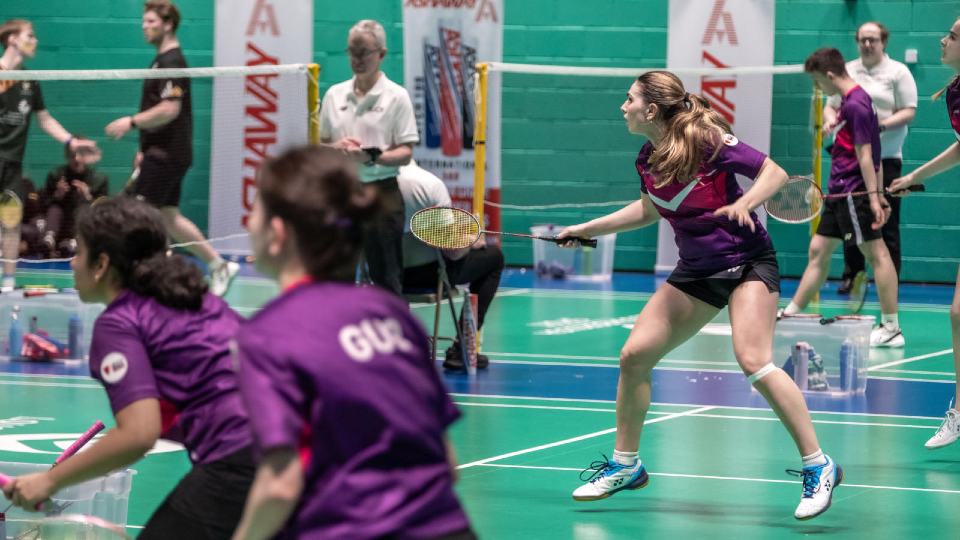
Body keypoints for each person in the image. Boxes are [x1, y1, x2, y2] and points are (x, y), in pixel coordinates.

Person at [559, 71, 840, 520]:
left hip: (746, 263)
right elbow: (650, 209)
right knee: (634, 356)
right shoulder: (647, 158)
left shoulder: (705, 139)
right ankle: (626, 466)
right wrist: (586, 228)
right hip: (697, 271)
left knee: (754, 360)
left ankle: (818, 464)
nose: (623, 107)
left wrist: (745, 204)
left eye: (629, 99)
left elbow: (774, 172)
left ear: (651, 109)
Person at [231, 147, 473, 540]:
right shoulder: (391, 314)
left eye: (254, 211)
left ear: (277, 233)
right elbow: (447, 460)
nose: (248, 222)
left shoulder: (268, 335)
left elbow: (279, 487)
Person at [1, 197, 255, 539]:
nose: (72, 262)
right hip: (301, 446)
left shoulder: (120, 323)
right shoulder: (200, 301)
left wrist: (49, 481)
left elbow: (138, 433)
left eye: (79, 252)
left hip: (242, 456)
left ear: (102, 263)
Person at [104, 1, 238, 297]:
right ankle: (219, 266)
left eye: (151, 21)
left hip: (167, 154)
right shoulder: (161, 61)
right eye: (144, 21)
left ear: (168, 25)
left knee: (139, 217)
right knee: (168, 217)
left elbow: (170, 109)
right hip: (161, 151)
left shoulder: (172, 62)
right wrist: (144, 147)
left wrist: (131, 122)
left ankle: (150, 278)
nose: (144, 26)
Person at [781, 48, 904, 348]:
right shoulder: (850, 102)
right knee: (818, 250)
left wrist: (874, 197)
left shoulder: (857, 104)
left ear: (829, 75)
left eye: (817, 81)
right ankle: (791, 313)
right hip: (839, 190)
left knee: (877, 254)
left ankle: (891, 327)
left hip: (853, 191)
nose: (818, 87)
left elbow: (867, 155)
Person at [889, 17, 960, 449]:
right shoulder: (955, 92)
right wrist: (914, 176)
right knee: (958, 314)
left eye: (952, 35)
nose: (942, 39)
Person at [319, 19, 419, 296]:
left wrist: (372, 156)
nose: (357, 59)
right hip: (342, 193)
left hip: (381, 194)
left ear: (381, 54)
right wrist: (337, 147)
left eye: (364, 52)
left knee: (386, 279)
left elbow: (405, 153)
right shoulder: (334, 95)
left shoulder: (397, 97)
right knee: (335, 276)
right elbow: (319, 145)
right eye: (352, 51)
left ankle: (392, 324)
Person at [0, 18, 98, 289]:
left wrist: (71, 141)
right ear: (12, 39)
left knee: (11, 223)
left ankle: (8, 283)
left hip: (12, 167)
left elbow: (44, 119)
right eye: (29, 36)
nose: (35, 41)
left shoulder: (30, 81)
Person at [825, 22, 918, 294]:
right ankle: (852, 276)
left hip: (885, 158)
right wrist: (830, 121)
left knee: (885, 223)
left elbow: (909, 111)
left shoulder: (898, 72)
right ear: (857, 42)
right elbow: (831, 106)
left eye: (873, 40)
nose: (867, 44)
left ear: (883, 42)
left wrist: (879, 127)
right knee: (851, 223)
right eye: (863, 40)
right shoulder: (848, 70)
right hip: (850, 163)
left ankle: (889, 279)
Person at [399, 160, 504, 370]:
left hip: (383, 276)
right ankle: (462, 347)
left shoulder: (365, 183)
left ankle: (396, 343)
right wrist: (472, 240)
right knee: (494, 257)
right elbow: (454, 253)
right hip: (429, 276)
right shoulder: (430, 185)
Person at [41, 135, 109, 257]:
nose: (76, 159)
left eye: (80, 154)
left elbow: (103, 212)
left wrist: (88, 197)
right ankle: (48, 239)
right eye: (72, 155)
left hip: (83, 227)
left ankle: (75, 243)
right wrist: (57, 196)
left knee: (84, 208)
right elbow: (41, 207)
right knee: (55, 208)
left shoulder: (99, 179)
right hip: (60, 225)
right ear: (67, 156)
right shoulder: (56, 175)